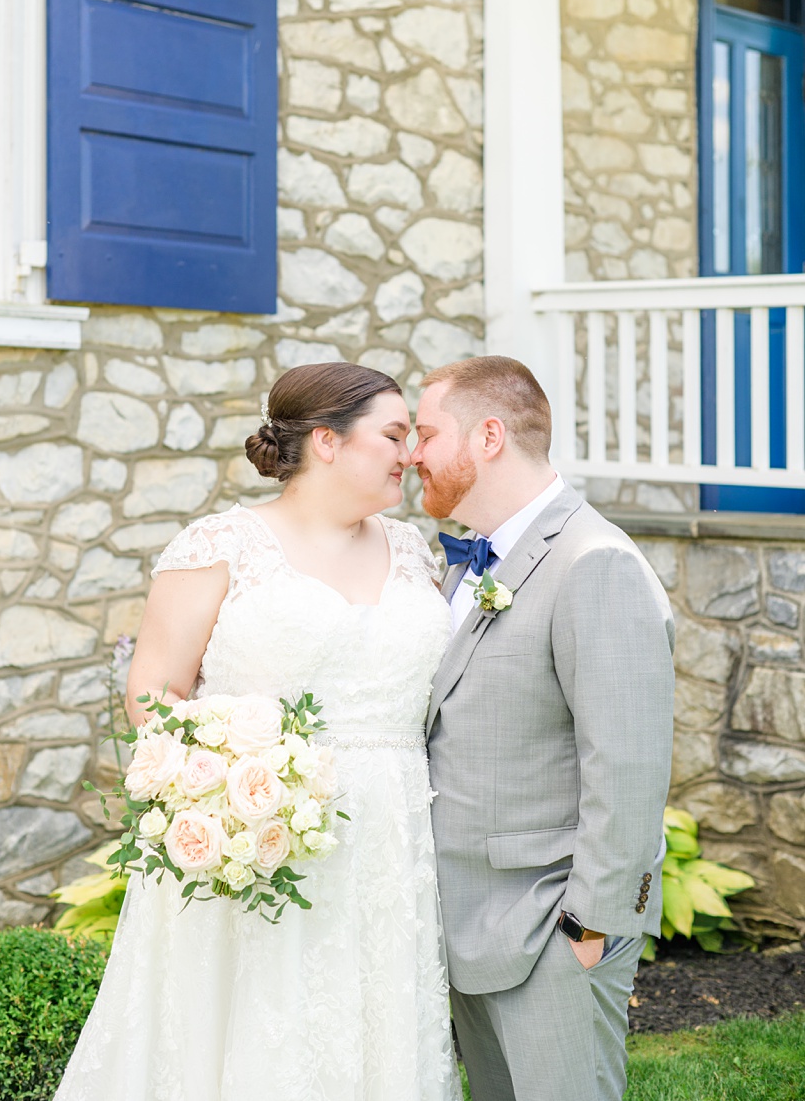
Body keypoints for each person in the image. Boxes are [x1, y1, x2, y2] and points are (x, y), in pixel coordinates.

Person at [57, 362, 458, 1101]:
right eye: (395, 434)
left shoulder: (414, 551)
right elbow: (153, 692)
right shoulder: (219, 545)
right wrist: (230, 783)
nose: (410, 453)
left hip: (389, 841)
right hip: (259, 834)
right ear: (328, 442)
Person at [413, 356, 673, 1101]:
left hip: (550, 931)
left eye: (427, 432)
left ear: (488, 435)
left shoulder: (595, 563)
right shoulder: (467, 564)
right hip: (468, 925)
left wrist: (590, 929)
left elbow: (626, 762)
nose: (411, 452)